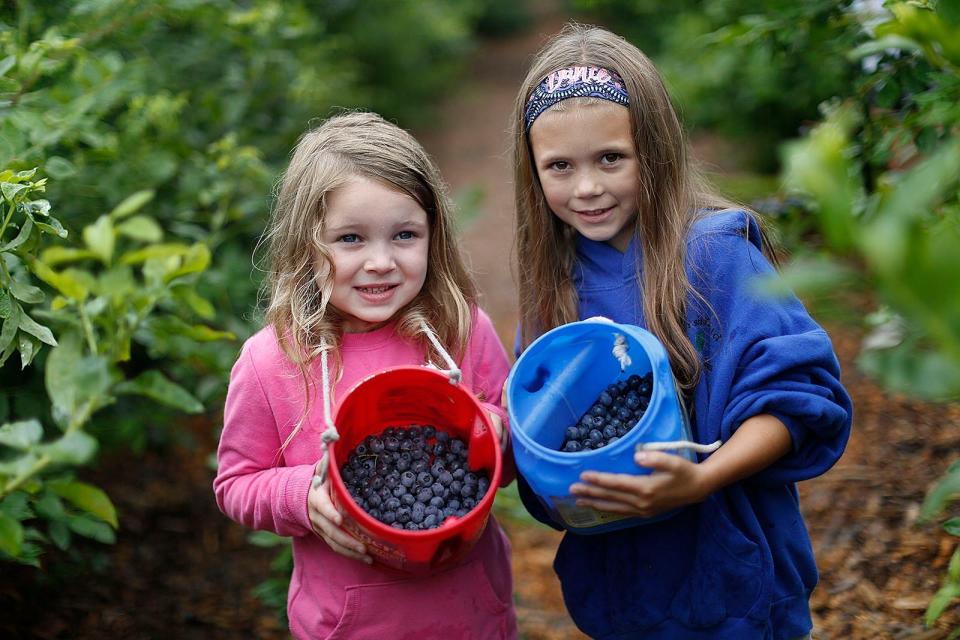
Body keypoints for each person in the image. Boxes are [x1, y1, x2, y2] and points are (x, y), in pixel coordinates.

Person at [509, 23, 852, 640]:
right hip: (628, 599)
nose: (587, 187)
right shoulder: (555, 285)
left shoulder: (715, 256)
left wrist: (700, 480)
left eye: (611, 158)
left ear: (655, 150)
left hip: (738, 586)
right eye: (559, 166)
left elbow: (799, 399)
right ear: (533, 173)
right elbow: (544, 437)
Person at [214, 111, 518, 639]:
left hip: (473, 617)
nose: (380, 261)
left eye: (404, 235)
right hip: (347, 626)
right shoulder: (273, 362)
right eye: (351, 239)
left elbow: (512, 446)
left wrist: (494, 428)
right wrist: (300, 495)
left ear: (433, 234)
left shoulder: (461, 329)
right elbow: (236, 484)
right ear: (307, 245)